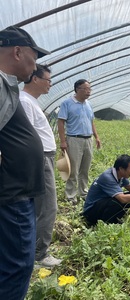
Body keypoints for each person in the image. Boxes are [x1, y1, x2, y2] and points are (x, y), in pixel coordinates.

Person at [0, 26, 50, 300]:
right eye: (33, 57)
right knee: (18, 264)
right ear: (17, 52)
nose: (35, 65)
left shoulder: (7, 86)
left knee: (12, 262)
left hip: (17, 192)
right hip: (11, 194)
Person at [20, 64, 62, 267]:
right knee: (47, 206)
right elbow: (25, 136)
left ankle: (34, 251)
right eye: (48, 80)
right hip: (40, 158)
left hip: (45, 157)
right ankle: (39, 254)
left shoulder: (30, 101)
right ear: (35, 79)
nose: (50, 85)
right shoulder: (24, 101)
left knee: (41, 206)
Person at [57, 79, 101, 204]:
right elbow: (61, 122)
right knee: (73, 169)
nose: (88, 92)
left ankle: (83, 193)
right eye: (86, 89)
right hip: (74, 139)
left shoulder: (88, 104)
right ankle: (71, 196)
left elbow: (91, 121)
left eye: (90, 89)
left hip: (88, 139)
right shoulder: (67, 103)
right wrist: (63, 141)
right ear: (77, 89)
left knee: (85, 169)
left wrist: (96, 137)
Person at [82, 154, 130, 225]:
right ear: (121, 169)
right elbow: (123, 199)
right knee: (119, 200)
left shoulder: (119, 174)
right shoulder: (108, 177)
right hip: (90, 211)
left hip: (101, 204)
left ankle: (114, 219)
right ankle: (107, 222)